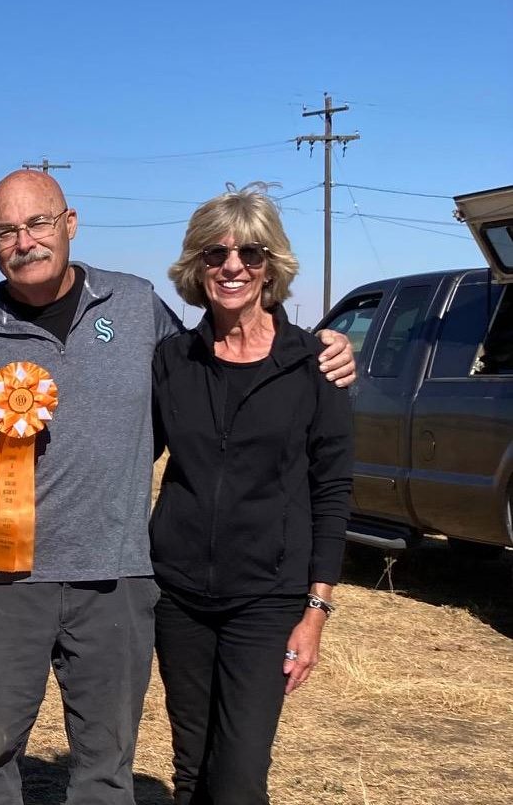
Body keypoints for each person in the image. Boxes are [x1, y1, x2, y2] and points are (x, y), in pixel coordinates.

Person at [0, 170, 356, 805]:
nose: (25, 241)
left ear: (69, 224)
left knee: (106, 770)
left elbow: (222, 356)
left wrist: (319, 348)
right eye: (5, 231)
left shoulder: (133, 304)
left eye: (38, 223)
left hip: (116, 582)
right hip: (1, 580)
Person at [150, 184, 352, 804]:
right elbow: (131, 456)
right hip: (177, 595)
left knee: (238, 779)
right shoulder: (172, 360)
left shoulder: (315, 363)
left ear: (272, 267)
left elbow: (333, 488)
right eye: (215, 255)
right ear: (196, 267)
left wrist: (315, 611)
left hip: (265, 601)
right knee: (191, 771)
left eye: (251, 255)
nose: (233, 267)